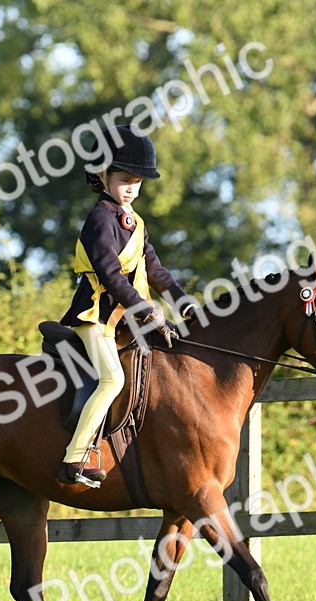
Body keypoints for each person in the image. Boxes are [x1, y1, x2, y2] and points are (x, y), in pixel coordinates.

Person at [56, 125, 199, 488]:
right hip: (96, 316)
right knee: (112, 379)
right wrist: (146, 310)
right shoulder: (99, 219)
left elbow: (154, 269)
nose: (132, 187)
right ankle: (75, 458)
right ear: (102, 174)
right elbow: (110, 273)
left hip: (124, 317)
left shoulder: (135, 222)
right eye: (124, 178)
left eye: (138, 180)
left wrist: (182, 302)